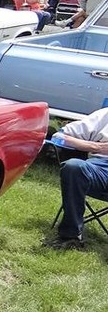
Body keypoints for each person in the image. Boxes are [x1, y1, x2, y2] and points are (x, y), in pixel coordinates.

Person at [46, 106, 108, 249]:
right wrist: (97, 147)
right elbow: (59, 136)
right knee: (74, 166)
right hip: (99, 169)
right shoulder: (105, 116)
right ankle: (71, 236)